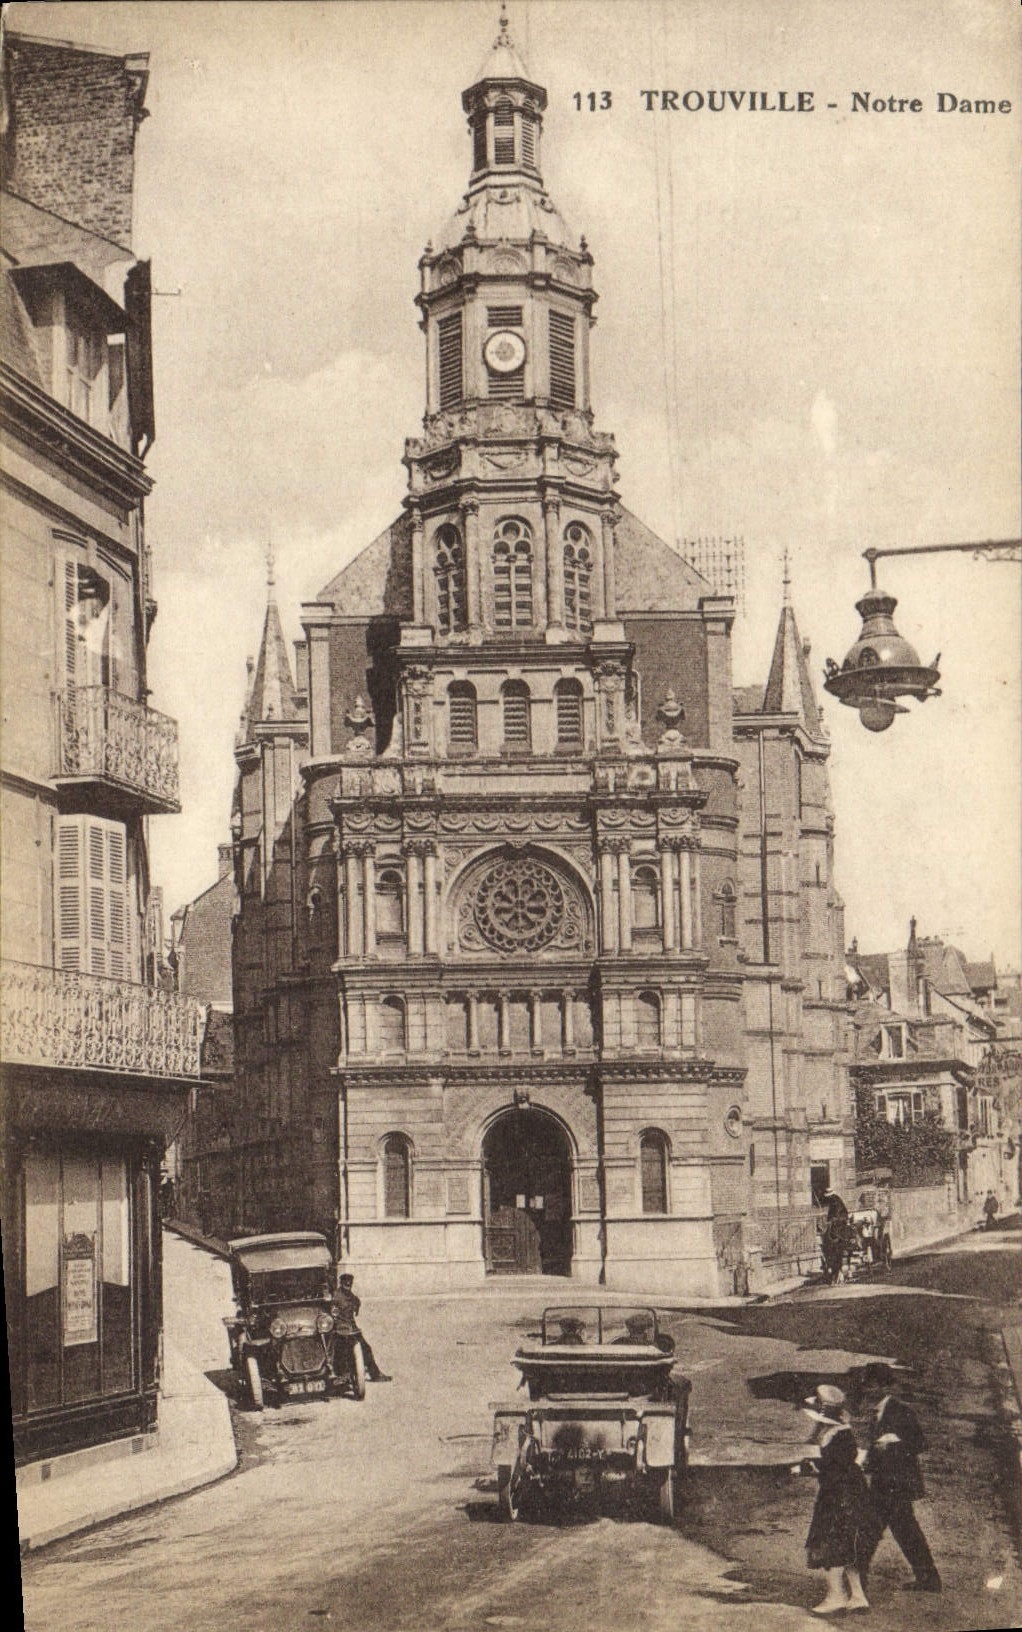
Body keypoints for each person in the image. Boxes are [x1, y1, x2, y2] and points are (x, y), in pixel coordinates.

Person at [857, 1362, 941, 1593]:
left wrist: (895, 1443)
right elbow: (878, 1449)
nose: (867, 1391)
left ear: (884, 1387)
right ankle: (929, 1577)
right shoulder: (878, 1412)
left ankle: (857, 1581)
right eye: (866, 1386)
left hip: (896, 1485)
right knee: (905, 1531)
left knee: (870, 1529)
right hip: (886, 1483)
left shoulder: (900, 1411)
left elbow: (920, 1443)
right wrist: (867, 1462)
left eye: (872, 1386)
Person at [797, 1384, 877, 1614]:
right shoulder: (840, 1432)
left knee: (831, 1544)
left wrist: (811, 1467)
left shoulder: (838, 1437)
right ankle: (858, 1596)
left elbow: (835, 1468)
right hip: (849, 1492)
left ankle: (837, 1597)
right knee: (849, 1546)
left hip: (840, 1496)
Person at [330, 1272, 391, 1381]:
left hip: (352, 1329)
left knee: (366, 1349)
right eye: (346, 1284)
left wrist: (357, 1305)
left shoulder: (350, 1295)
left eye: (350, 1284)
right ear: (341, 1283)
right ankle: (343, 1374)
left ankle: (375, 1375)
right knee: (341, 1352)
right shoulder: (336, 1296)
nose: (348, 1286)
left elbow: (356, 1301)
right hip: (339, 1331)